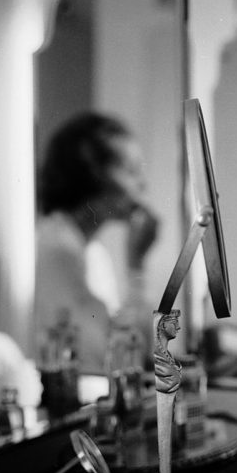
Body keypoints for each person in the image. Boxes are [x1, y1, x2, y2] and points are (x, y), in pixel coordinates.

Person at [35, 111, 158, 374]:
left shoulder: (93, 253)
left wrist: (137, 264)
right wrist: (135, 267)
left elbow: (135, 349)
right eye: (131, 171)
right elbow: (104, 357)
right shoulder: (56, 249)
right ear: (93, 172)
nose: (143, 184)